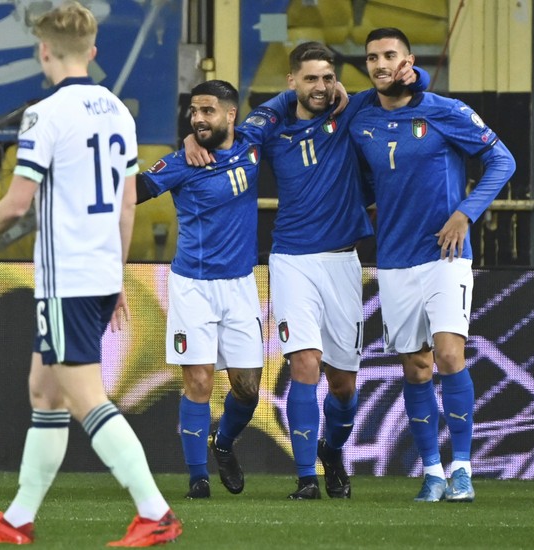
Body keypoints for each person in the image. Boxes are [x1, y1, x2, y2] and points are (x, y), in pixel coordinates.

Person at [0, 2, 181, 545]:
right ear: (93, 52)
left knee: (83, 398)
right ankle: (18, 520)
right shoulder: (119, 112)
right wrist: (119, 275)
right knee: (45, 394)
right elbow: (127, 208)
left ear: (43, 50)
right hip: (99, 274)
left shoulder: (44, 114)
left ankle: (155, 512)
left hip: (68, 279)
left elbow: (16, 203)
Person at [185, 42, 428, 499]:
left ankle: (331, 450)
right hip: (292, 260)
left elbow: (404, 88)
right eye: (310, 78)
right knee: (305, 363)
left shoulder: (353, 111)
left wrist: (420, 79)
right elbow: (224, 132)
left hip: (343, 261)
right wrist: (192, 137)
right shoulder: (270, 124)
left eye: (327, 77)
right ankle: (306, 479)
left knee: (343, 385)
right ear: (292, 81)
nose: (321, 86)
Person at [348, 27, 516, 503]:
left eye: (390, 56)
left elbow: (502, 160)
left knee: (448, 357)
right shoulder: (361, 115)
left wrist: (465, 213)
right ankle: (433, 472)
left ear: (408, 60)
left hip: (445, 256)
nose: (381, 64)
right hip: (394, 261)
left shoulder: (445, 110)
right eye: (372, 58)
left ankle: (463, 469)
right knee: (417, 368)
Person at [137, 80, 263, 500]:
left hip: (242, 284)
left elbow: (290, 104)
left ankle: (223, 443)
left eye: (208, 111)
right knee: (199, 382)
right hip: (193, 284)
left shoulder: (254, 146)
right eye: (194, 112)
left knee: (247, 389)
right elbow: (132, 192)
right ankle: (198, 477)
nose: (198, 119)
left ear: (231, 115)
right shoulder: (179, 162)